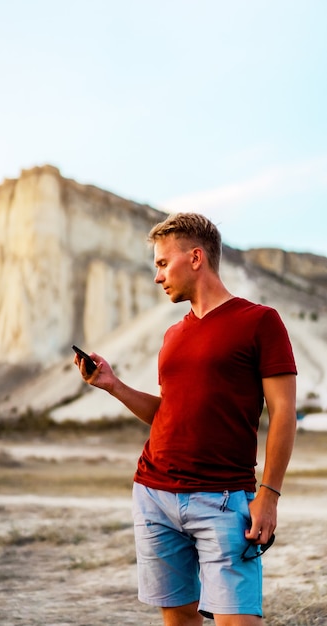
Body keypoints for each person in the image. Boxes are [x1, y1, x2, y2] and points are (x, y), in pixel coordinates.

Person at [74, 212, 297, 626]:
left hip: (224, 500)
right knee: (178, 618)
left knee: (238, 621)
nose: (157, 276)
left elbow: (284, 412)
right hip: (154, 494)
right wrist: (113, 385)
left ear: (196, 257)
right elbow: (169, 413)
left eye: (162, 263)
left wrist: (269, 494)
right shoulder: (173, 335)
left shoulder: (260, 321)